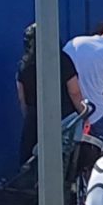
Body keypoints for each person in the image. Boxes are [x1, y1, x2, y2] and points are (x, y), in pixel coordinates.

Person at [15, 23, 84, 164]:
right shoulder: (62, 59)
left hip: (34, 120)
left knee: (31, 163)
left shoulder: (24, 64)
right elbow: (74, 91)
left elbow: (22, 98)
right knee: (62, 163)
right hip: (63, 119)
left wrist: (30, 118)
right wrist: (84, 113)